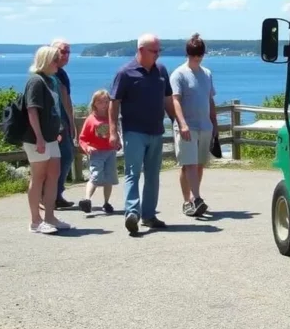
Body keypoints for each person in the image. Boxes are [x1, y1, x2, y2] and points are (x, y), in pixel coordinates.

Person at [109, 33, 176, 235]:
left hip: (156, 130)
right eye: (154, 51)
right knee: (133, 173)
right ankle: (132, 213)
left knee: (153, 175)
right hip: (134, 131)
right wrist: (113, 132)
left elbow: (168, 99)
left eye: (159, 51)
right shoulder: (125, 73)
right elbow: (114, 102)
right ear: (141, 50)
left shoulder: (161, 71)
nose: (157, 54)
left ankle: (149, 215)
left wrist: (177, 121)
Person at [21, 45, 72, 234]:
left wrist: (57, 130)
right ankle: (35, 221)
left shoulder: (51, 81)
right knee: (39, 176)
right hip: (37, 138)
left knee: (53, 174)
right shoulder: (36, 81)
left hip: (51, 136)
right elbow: (32, 110)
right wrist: (39, 137)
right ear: (45, 61)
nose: (58, 63)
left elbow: (55, 110)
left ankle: (50, 216)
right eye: (55, 59)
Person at [170, 33, 218, 217]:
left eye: (200, 54)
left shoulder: (207, 74)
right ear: (188, 54)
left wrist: (214, 123)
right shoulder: (179, 74)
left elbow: (210, 100)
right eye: (194, 54)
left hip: (204, 125)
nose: (197, 58)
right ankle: (193, 199)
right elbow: (175, 100)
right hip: (187, 126)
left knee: (198, 164)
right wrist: (182, 123)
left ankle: (193, 198)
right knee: (188, 163)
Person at [77, 89, 118, 215]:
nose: (104, 105)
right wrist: (87, 147)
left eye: (106, 102)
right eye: (100, 102)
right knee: (95, 176)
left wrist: (118, 142)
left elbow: (115, 132)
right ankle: (87, 200)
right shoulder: (91, 119)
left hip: (110, 152)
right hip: (97, 153)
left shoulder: (111, 118)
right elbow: (82, 138)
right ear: (94, 103)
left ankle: (106, 202)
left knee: (109, 178)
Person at [51, 38, 76, 210]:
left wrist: (71, 122)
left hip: (63, 122)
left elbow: (67, 100)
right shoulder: (48, 73)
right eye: (63, 51)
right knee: (54, 160)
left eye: (68, 52)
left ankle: (56, 194)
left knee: (66, 156)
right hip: (51, 124)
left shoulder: (62, 74)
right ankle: (48, 195)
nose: (66, 55)